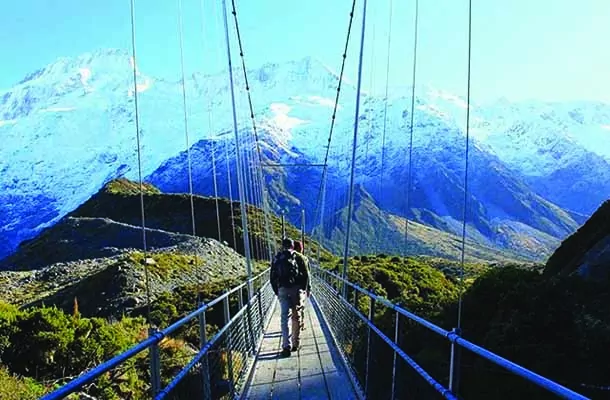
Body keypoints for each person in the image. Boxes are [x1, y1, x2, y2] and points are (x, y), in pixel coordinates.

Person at [270, 238, 309, 357]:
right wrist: (303, 288)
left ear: (282, 246)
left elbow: (272, 276)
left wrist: (277, 291)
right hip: (295, 289)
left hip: (282, 289)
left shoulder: (277, 257)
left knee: (284, 317)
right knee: (295, 316)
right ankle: (295, 343)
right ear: (293, 246)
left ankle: (285, 346)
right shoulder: (298, 257)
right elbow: (306, 275)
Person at [293, 240, 310, 331]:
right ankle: (301, 324)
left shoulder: (289, 258)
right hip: (301, 287)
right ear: (301, 248)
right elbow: (308, 275)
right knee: (300, 306)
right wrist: (308, 288)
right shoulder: (304, 258)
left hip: (290, 286)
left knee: (292, 307)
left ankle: (292, 325)